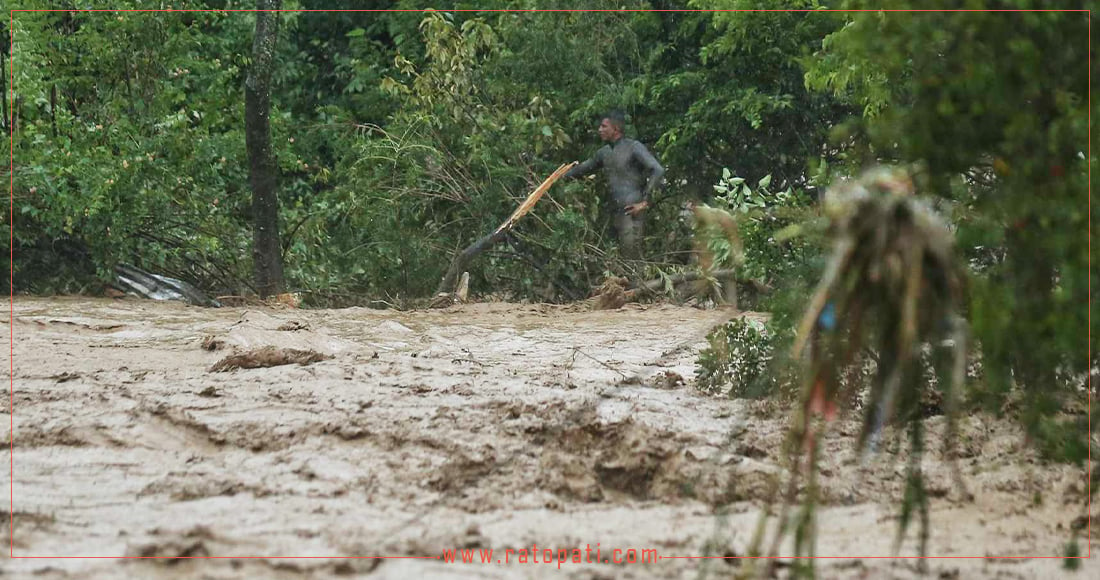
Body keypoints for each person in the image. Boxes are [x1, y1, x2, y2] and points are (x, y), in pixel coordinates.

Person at [563, 111, 665, 258]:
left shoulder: (634, 147)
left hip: (632, 212)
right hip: (614, 212)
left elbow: (658, 170)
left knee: (632, 259)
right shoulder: (604, 152)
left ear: (616, 129)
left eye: (604, 126)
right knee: (612, 259)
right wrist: (557, 176)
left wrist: (644, 202)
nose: (600, 130)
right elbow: (583, 169)